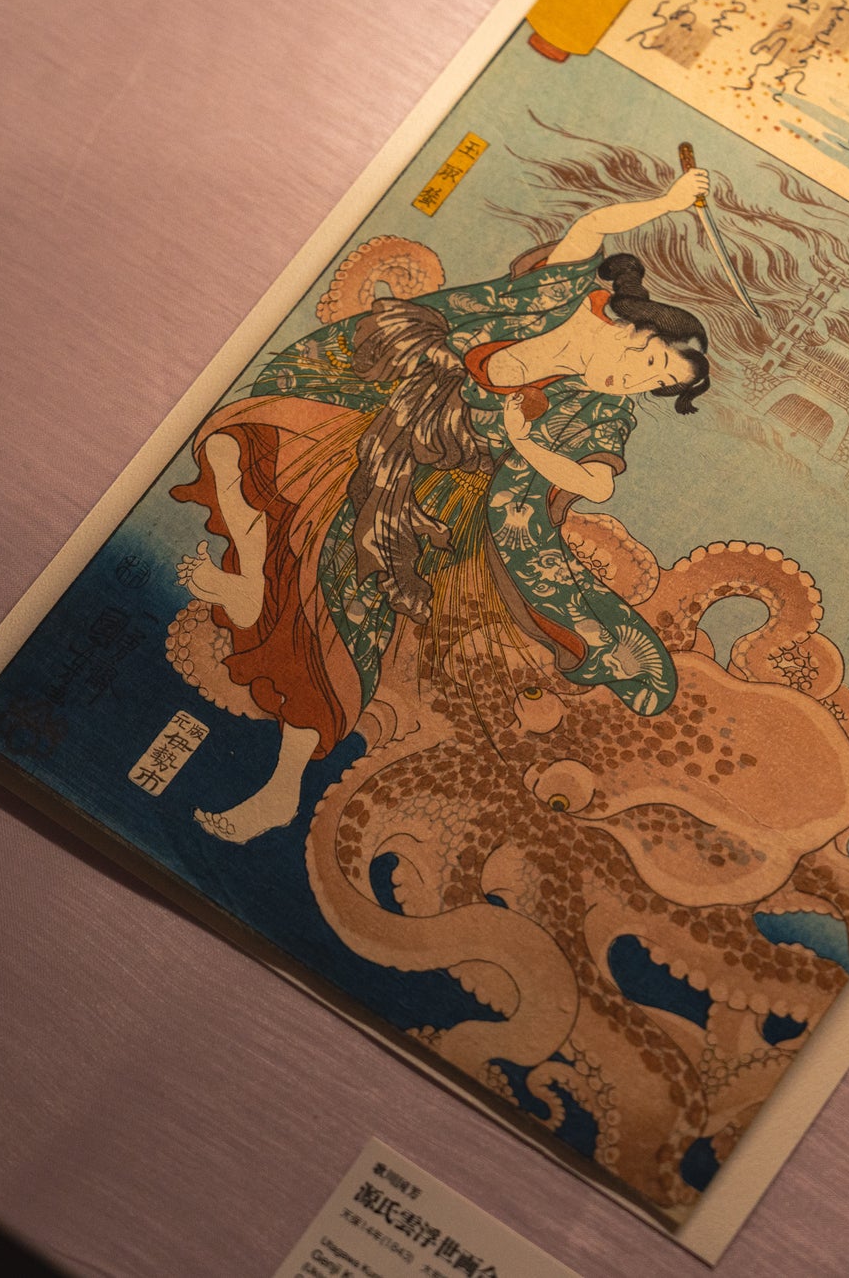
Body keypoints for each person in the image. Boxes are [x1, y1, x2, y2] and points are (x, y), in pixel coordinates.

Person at [170, 169, 715, 841]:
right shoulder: (560, 294)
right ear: (639, 330)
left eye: (658, 387)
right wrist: (668, 201)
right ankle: (251, 578)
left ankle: (281, 791)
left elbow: (595, 483)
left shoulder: (600, 412)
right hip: (374, 412)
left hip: (425, 498)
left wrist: (526, 443)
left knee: (343, 624)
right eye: (655, 366)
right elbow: (593, 225)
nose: (640, 384)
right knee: (237, 439)